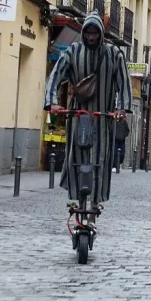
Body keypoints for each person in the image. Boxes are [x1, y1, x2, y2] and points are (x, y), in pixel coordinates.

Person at [43, 12, 133, 212]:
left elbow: (124, 83)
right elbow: (56, 75)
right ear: (83, 33)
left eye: (95, 33)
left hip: (103, 117)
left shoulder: (114, 54)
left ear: (101, 34)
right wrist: (53, 103)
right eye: (88, 33)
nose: (91, 37)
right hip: (78, 116)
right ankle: (75, 196)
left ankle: (96, 199)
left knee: (100, 158)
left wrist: (122, 108)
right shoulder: (73, 52)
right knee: (75, 155)